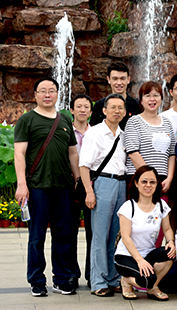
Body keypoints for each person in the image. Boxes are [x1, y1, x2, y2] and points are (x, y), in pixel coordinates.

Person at [14, 77, 80, 297]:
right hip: (37, 187)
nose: (47, 94)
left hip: (63, 187)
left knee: (63, 236)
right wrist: (22, 184)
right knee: (37, 237)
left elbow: (73, 153)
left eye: (51, 90)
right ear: (35, 95)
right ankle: (36, 280)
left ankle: (61, 280)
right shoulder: (27, 120)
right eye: (42, 91)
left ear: (57, 94)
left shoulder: (65, 119)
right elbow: (19, 153)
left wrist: (78, 180)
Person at [78, 93, 127, 297]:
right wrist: (89, 192)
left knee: (116, 235)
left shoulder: (123, 134)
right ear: (104, 110)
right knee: (99, 235)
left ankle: (113, 279)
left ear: (125, 112)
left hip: (121, 184)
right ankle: (98, 281)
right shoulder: (95, 133)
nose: (117, 111)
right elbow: (83, 165)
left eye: (120, 108)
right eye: (113, 107)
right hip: (103, 183)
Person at [114, 166, 175, 301]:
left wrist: (170, 242)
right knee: (146, 280)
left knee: (169, 254)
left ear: (157, 184)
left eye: (152, 182)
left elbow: (167, 229)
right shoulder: (128, 207)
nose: (148, 185)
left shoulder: (161, 205)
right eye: (144, 181)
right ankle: (126, 281)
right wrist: (140, 260)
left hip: (148, 254)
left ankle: (153, 287)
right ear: (136, 183)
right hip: (127, 256)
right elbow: (125, 237)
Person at [123, 81, 176, 191]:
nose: (152, 99)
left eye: (156, 95)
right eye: (147, 96)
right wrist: (151, 178)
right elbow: (132, 152)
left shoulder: (167, 123)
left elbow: (171, 153)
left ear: (161, 98)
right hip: (139, 179)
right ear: (141, 100)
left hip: (163, 181)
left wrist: (170, 178)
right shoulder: (134, 121)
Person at [70, 93, 93, 287]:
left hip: (92, 187)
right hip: (70, 187)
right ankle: (71, 273)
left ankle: (92, 273)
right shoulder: (64, 132)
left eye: (86, 107)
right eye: (79, 106)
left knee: (93, 232)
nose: (82, 110)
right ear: (72, 110)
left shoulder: (97, 133)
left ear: (91, 111)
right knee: (69, 231)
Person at [90, 61, 140, 129]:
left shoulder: (137, 106)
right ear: (108, 80)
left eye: (122, 78)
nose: (119, 83)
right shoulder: (99, 105)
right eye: (115, 79)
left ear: (128, 80)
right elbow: (93, 130)